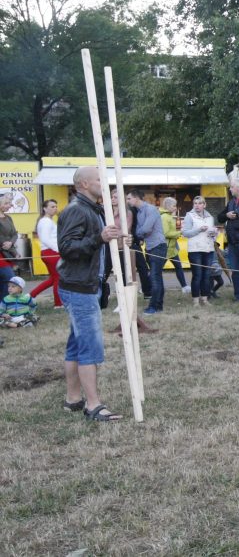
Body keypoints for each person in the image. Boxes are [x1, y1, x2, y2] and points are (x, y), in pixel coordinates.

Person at [57, 166, 125, 421]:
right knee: (89, 346)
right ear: (84, 184)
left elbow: (97, 246)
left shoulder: (92, 208)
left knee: (76, 345)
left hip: (85, 286)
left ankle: (73, 399)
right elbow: (67, 249)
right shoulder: (76, 210)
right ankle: (92, 405)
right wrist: (99, 238)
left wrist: (113, 239)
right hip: (79, 288)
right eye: (99, 179)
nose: (104, 183)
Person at [127, 189, 166, 315]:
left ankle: (153, 307)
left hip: (158, 246)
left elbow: (146, 229)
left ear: (136, 198)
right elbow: (141, 231)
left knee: (154, 277)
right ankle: (158, 305)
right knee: (157, 277)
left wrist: (140, 233)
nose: (127, 201)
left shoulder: (151, 209)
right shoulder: (139, 213)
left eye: (129, 198)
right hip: (150, 247)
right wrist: (141, 233)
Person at [181, 196, 217, 305]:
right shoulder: (189, 216)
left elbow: (212, 235)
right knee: (197, 275)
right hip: (195, 250)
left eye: (200, 203)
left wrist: (214, 233)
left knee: (206, 275)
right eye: (195, 203)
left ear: (204, 205)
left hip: (208, 249)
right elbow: (185, 233)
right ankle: (195, 300)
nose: (197, 205)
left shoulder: (210, 217)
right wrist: (199, 229)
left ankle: (205, 299)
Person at [30, 199, 62, 307]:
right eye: (52, 206)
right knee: (58, 278)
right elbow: (45, 239)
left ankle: (31, 295)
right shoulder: (45, 221)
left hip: (50, 252)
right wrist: (58, 250)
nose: (55, 208)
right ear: (45, 208)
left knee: (53, 278)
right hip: (51, 252)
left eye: (56, 206)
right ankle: (58, 304)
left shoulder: (48, 221)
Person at [160, 197, 189, 294]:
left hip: (172, 248)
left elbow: (173, 230)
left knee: (178, 267)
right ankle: (148, 287)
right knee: (157, 270)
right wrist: (178, 233)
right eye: (174, 205)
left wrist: (178, 229)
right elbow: (166, 233)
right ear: (168, 206)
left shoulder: (170, 216)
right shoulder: (164, 217)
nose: (175, 207)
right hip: (166, 248)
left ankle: (184, 286)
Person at [0, 194, 18, 295]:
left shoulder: (8, 218)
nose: (9, 205)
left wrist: (10, 242)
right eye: (6, 203)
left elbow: (14, 234)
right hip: (1, 254)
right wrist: (4, 243)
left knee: (5, 284)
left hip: (8, 253)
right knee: (10, 278)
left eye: (9, 203)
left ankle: (3, 306)